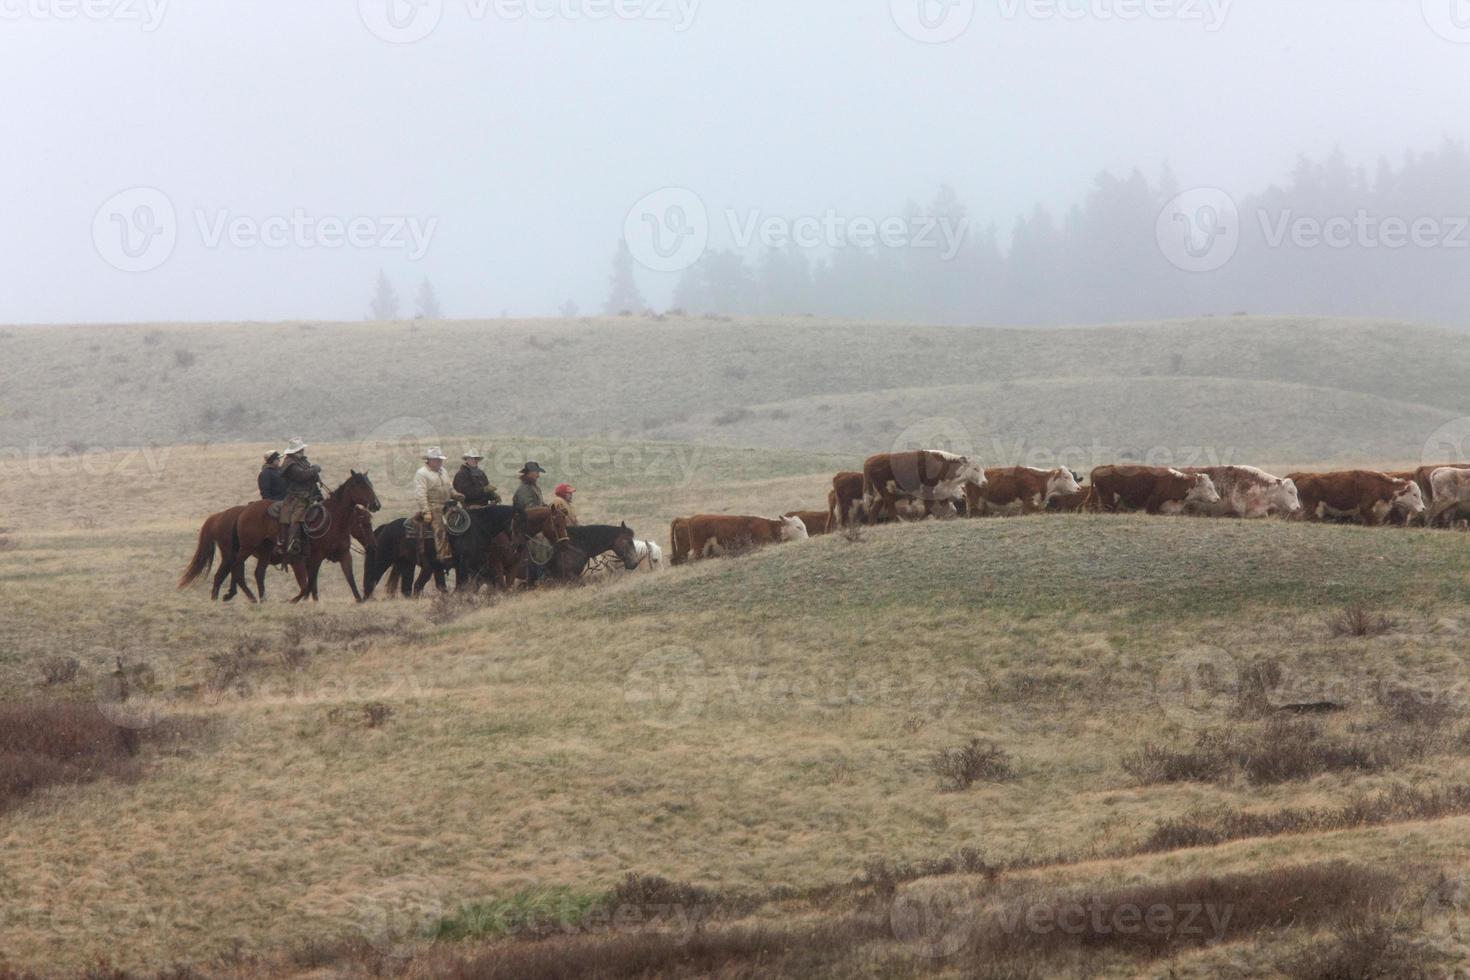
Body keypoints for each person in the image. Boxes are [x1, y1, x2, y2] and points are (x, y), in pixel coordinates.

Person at [414, 447, 463, 563]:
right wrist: (426, 511)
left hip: (448, 505)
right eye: (437, 460)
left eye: (440, 460)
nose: (440, 462)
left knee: (463, 521)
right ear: (429, 460)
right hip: (433, 506)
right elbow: (420, 494)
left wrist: (456, 495)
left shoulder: (443, 471)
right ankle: (443, 554)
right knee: (439, 527)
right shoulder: (422, 473)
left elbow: (449, 488)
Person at [277, 439, 322, 557]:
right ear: (296, 450)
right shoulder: (290, 464)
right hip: (296, 496)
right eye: (301, 449)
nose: (303, 451)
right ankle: (291, 542)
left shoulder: (302, 461)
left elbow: (309, 475)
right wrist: (316, 468)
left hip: (308, 494)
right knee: (297, 516)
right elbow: (302, 476)